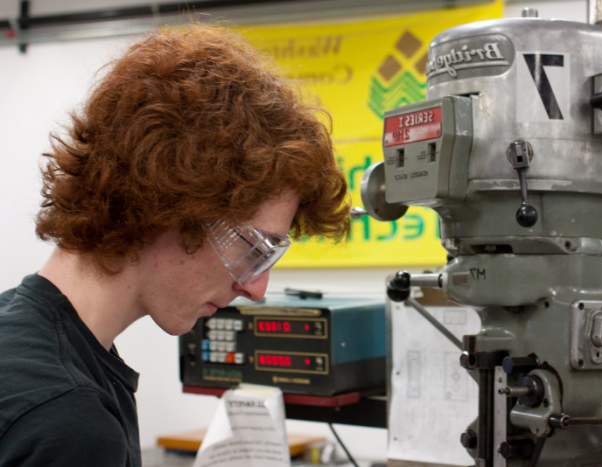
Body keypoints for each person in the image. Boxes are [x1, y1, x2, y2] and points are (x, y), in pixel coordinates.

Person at [0, 26, 349, 466]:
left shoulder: (20, 340)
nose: (256, 289)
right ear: (172, 203)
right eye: (252, 248)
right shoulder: (68, 420)